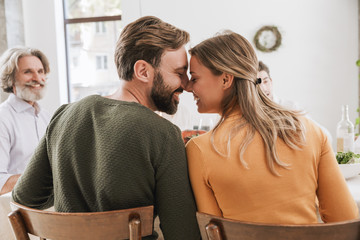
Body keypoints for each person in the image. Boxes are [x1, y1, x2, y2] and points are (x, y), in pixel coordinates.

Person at [12, 16, 200, 240]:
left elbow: (24, 197)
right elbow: (184, 234)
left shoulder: (63, 116)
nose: (187, 85)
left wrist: (75, 180)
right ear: (142, 71)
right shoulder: (163, 134)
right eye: (179, 73)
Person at [185, 30, 359, 224]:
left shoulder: (199, 150)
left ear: (225, 80)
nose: (188, 87)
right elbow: (346, 220)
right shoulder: (309, 130)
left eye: (194, 78)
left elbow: (213, 232)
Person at [0, 47, 51, 195]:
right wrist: (43, 178)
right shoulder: (3, 118)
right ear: (11, 79)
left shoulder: (46, 117)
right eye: (27, 72)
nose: (37, 78)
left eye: (40, 71)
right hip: (12, 210)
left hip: (43, 205)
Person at [258, 60, 333, 143]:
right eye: (258, 84)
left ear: (271, 82)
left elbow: (325, 135)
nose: (263, 89)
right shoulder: (250, 114)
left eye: (266, 81)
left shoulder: (291, 107)